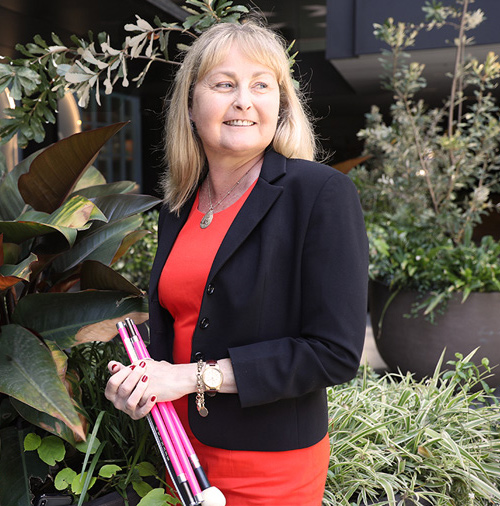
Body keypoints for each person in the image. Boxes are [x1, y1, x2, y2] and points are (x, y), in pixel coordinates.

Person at [105, 20, 368, 506]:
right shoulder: (179, 207)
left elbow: (333, 352)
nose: (244, 100)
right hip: (181, 453)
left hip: (269, 467)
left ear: (280, 106)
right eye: (224, 84)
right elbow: (192, 319)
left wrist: (188, 377)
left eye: (261, 85)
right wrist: (140, 379)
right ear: (190, 104)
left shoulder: (320, 194)